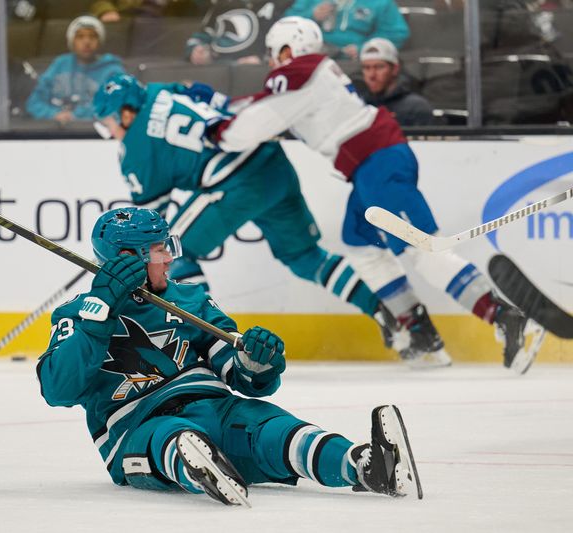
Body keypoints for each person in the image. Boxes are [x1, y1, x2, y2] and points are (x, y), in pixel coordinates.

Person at [208, 16, 544, 372]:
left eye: (275, 53)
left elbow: (256, 119)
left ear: (289, 49)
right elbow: (264, 105)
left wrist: (218, 129)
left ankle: (507, 318)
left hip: (378, 162)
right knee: (360, 243)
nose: (272, 61)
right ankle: (420, 333)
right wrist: (220, 107)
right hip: (368, 168)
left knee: (423, 249)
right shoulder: (309, 77)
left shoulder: (301, 70)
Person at [36, 206, 422, 506]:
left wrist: (256, 363)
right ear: (128, 258)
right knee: (170, 437)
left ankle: (365, 465)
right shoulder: (78, 313)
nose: (170, 258)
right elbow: (58, 389)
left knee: (270, 427)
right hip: (136, 427)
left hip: (218, 410)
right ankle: (199, 467)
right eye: (159, 250)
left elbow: (241, 375)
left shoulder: (190, 299)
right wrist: (100, 313)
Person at [92, 73, 420, 365]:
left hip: (236, 182)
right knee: (305, 256)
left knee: (174, 253)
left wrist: (123, 255)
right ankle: (383, 311)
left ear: (125, 113)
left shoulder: (135, 149)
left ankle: (206, 341)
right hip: (272, 163)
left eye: (108, 123)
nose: (110, 132)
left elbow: (151, 226)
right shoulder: (161, 89)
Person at [25, 15, 124, 124]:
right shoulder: (60, 64)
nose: (87, 42)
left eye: (92, 37)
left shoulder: (113, 71)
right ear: (72, 41)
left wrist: (76, 116)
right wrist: (53, 114)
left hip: (93, 135)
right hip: (56, 131)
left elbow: (116, 108)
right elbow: (34, 102)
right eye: (80, 36)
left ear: (100, 41)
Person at [283, 0, 409, 60]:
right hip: (313, 58)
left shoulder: (380, 3)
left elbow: (397, 34)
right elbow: (285, 23)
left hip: (356, 63)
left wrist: (364, 48)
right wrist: (311, 15)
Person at [356, 37, 435, 126]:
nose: (372, 75)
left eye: (379, 67)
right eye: (366, 68)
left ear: (395, 69)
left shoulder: (416, 108)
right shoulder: (358, 106)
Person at [187, 0, 293, 65]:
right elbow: (199, 38)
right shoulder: (222, 5)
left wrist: (264, 60)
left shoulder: (280, 4)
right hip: (219, 69)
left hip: (259, 71)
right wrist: (196, 50)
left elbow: (291, 43)